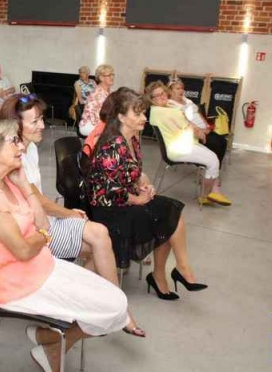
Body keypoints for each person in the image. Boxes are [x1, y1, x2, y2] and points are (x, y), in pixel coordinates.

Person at [0, 120, 141, 372]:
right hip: (15, 284)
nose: (21, 146)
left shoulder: (8, 182)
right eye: (14, 141)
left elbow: (42, 224)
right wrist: (43, 236)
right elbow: (24, 249)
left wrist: (25, 187)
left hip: (42, 266)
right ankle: (51, 343)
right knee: (114, 308)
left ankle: (49, 340)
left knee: (116, 304)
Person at [0, 94, 141, 295]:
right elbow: (38, 201)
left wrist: (67, 213)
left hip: (41, 218)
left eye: (41, 119)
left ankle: (96, 298)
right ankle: (104, 299)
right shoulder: (15, 156)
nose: (42, 126)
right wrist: (70, 213)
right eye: (35, 122)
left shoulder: (31, 149)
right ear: (16, 125)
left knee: (101, 235)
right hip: (32, 227)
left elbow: (39, 200)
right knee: (100, 243)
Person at [86, 88, 208, 301]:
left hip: (124, 201)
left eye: (143, 112)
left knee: (171, 213)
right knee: (169, 215)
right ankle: (172, 273)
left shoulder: (131, 139)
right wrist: (137, 199)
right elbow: (110, 191)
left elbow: (131, 175)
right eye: (138, 113)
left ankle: (170, 272)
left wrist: (143, 186)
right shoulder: (112, 145)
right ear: (121, 117)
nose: (144, 117)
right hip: (110, 211)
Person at [144, 81, 232, 206]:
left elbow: (185, 122)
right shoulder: (162, 112)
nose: (162, 96)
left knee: (213, 155)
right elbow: (184, 126)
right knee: (213, 160)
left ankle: (212, 191)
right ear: (151, 100)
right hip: (178, 149)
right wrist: (198, 132)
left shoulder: (163, 108)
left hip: (183, 144)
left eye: (163, 93)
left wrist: (196, 130)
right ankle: (206, 195)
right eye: (157, 96)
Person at [166, 78, 228, 166]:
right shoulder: (171, 105)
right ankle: (209, 166)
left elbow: (198, 112)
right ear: (170, 91)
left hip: (204, 129)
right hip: (194, 133)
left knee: (223, 142)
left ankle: (215, 168)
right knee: (216, 144)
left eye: (182, 88)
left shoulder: (186, 100)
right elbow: (184, 122)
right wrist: (201, 130)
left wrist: (206, 124)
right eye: (178, 88)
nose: (181, 91)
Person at [78, 64, 114, 137]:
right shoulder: (96, 94)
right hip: (89, 124)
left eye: (112, 75)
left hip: (102, 122)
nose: (112, 77)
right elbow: (95, 117)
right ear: (101, 78)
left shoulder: (111, 91)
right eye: (109, 75)